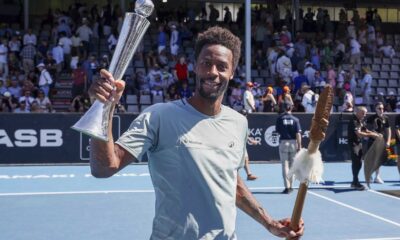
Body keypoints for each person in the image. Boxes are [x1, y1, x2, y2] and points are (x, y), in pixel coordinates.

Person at [88, 26, 303, 239]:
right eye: (206, 63)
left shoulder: (238, 123)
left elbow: (233, 184)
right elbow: (105, 167)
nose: (213, 72)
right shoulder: (159, 116)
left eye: (221, 66)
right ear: (195, 66)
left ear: (232, 71)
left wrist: (270, 223)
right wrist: (102, 108)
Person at [347, 106, 380, 190]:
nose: (364, 115)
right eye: (363, 113)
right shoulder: (354, 121)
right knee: (356, 163)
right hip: (354, 144)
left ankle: (355, 182)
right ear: (357, 112)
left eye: (365, 113)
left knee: (359, 163)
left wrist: (376, 134)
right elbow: (359, 134)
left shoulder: (360, 121)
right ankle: (355, 182)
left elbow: (365, 130)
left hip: (359, 144)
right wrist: (372, 135)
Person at [275, 102, 302, 194]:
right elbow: (298, 133)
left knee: (285, 165)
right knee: (292, 166)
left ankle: (287, 187)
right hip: (293, 143)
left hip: (283, 142)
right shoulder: (295, 119)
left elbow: (278, 131)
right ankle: (291, 185)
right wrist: (299, 145)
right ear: (291, 108)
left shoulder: (280, 119)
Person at [366, 102, 392, 184]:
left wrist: (388, 141)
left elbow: (389, 130)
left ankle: (377, 177)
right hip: (372, 141)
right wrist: (376, 135)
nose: (381, 110)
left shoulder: (386, 118)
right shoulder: (371, 118)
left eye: (382, 108)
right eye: (379, 108)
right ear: (375, 109)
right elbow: (367, 130)